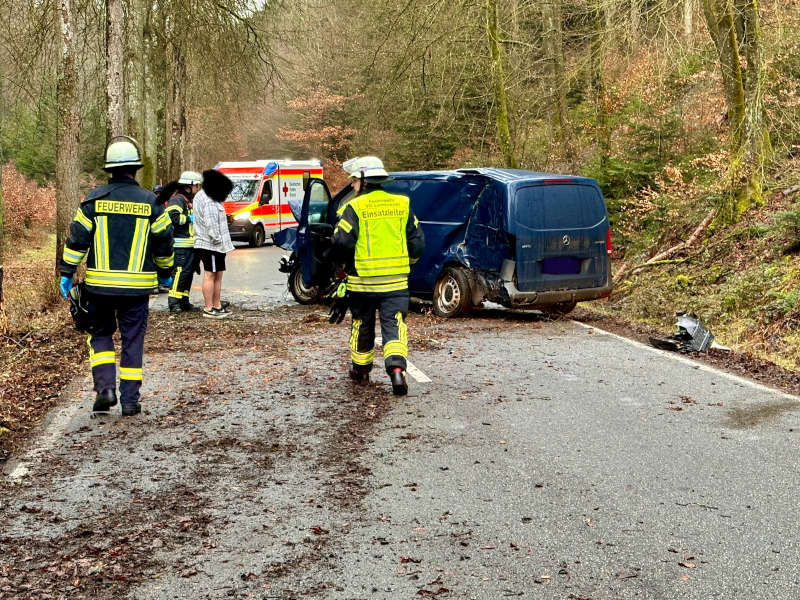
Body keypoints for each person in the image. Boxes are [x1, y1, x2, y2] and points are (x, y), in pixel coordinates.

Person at [59, 136, 174, 416]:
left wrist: (67, 272)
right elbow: (164, 241)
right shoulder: (152, 203)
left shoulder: (93, 201)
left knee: (100, 335)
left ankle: (106, 389)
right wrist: (166, 273)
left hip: (100, 289)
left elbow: (77, 240)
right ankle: (131, 400)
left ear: (109, 170)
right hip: (136, 292)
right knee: (133, 340)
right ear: (135, 169)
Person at [331, 156, 425, 395]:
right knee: (394, 325)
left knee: (362, 324)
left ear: (362, 181)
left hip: (363, 283)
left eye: (353, 182)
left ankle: (361, 372)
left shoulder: (354, 208)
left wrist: (342, 267)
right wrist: (408, 263)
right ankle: (396, 372)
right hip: (395, 283)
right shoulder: (402, 204)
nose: (352, 186)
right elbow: (417, 243)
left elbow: (341, 242)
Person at [193, 168, 234, 319]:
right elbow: (211, 225)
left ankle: (216, 305)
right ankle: (209, 307)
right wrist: (218, 242)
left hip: (213, 244)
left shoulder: (206, 196)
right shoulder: (209, 198)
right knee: (211, 275)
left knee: (218, 275)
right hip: (211, 245)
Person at [164, 171, 201, 313]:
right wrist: (188, 219)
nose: (198, 189)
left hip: (189, 245)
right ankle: (173, 303)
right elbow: (172, 217)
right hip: (180, 246)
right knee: (180, 273)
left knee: (188, 274)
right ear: (189, 186)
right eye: (197, 186)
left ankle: (184, 301)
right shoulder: (177, 200)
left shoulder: (187, 201)